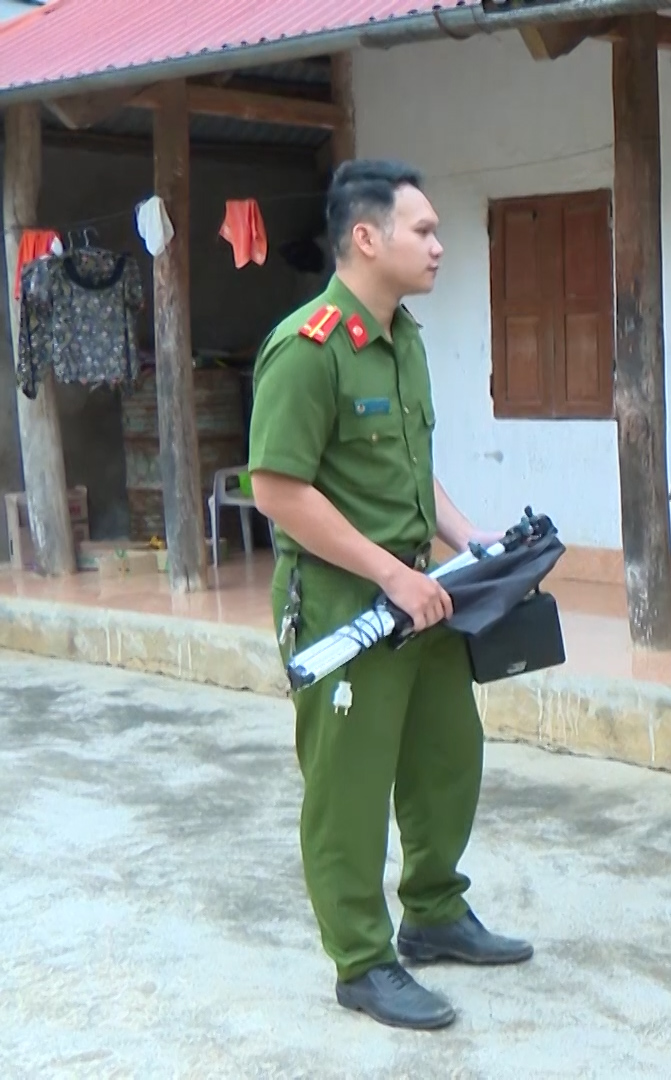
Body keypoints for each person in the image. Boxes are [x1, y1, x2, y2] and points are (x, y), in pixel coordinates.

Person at [248, 159, 532, 1031]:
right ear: (366, 238)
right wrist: (389, 573)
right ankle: (362, 962)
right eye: (425, 230)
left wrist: (465, 539)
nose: (440, 245)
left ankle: (436, 913)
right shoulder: (309, 347)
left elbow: (411, 469)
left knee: (448, 757)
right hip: (348, 601)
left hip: (423, 590)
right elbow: (278, 489)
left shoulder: (402, 337)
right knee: (351, 787)